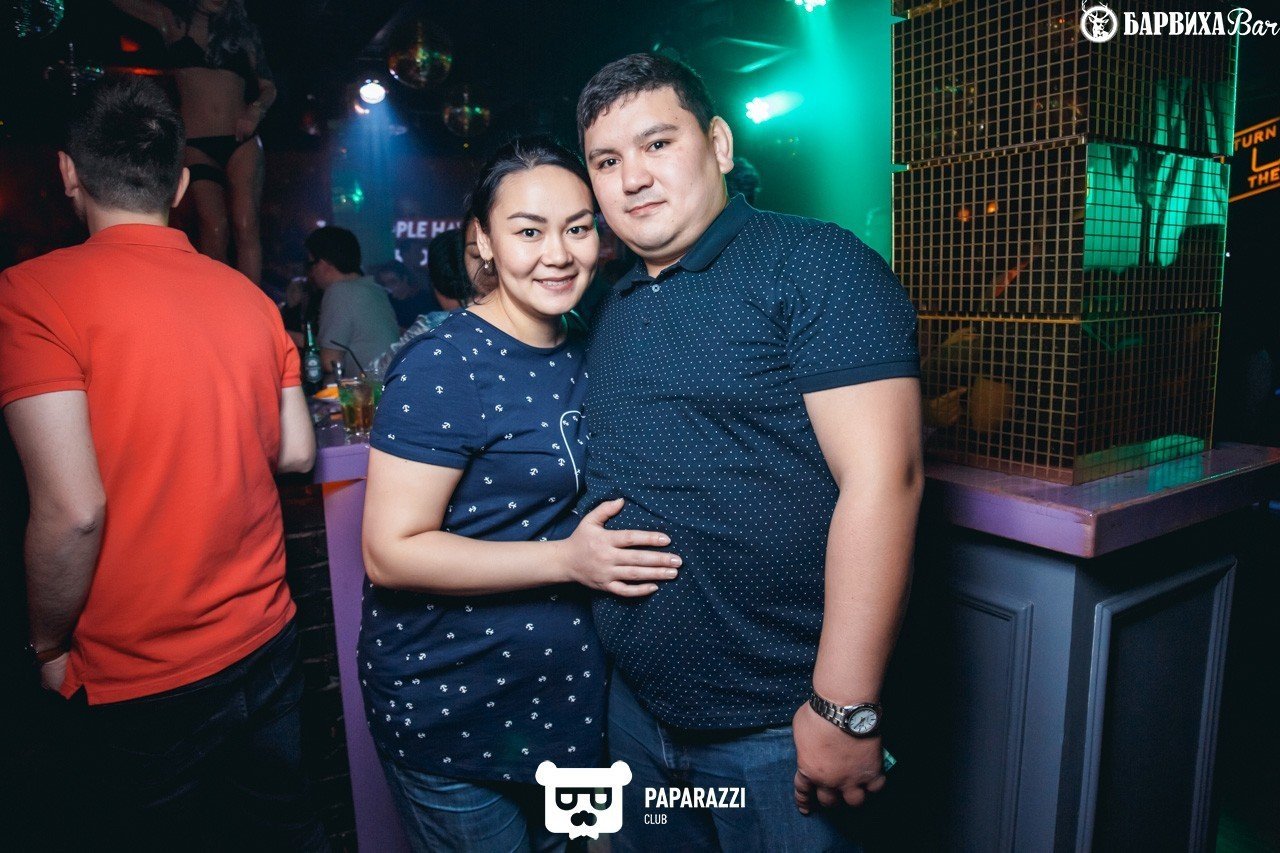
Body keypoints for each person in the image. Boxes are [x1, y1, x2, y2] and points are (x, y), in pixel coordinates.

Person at [577, 53, 924, 851]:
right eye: (607, 160)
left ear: (720, 144)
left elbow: (886, 479)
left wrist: (843, 707)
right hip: (637, 717)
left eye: (657, 143)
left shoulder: (813, 262)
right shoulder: (611, 304)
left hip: (780, 730)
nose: (633, 178)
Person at [0, 79, 323, 848]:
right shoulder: (250, 298)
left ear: (68, 172)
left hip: (141, 677)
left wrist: (48, 643)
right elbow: (299, 451)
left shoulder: (33, 294)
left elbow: (75, 510)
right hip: (267, 641)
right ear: (180, 184)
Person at [358, 136, 681, 852]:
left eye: (577, 228)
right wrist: (568, 560)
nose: (557, 255)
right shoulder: (443, 365)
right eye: (529, 232)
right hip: (456, 712)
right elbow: (389, 552)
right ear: (483, 240)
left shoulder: (590, 341)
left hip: (567, 709)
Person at [109, 0, 274, 284]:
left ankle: (253, 303)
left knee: (245, 222)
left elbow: (268, 87)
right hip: (197, 144)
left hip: (241, 141)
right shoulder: (172, 22)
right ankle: (217, 301)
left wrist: (255, 111)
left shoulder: (243, 33)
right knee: (214, 228)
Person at [369, 223, 478, 375]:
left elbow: (378, 370)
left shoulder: (433, 323)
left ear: (434, 280)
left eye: (393, 282)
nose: (390, 288)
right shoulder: (504, 316)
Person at [306, 224, 399, 376]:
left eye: (311, 264)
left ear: (323, 264)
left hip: (367, 389)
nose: (311, 272)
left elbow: (330, 362)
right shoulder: (374, 289)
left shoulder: (339, 292)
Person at [376, 258, 441, 332]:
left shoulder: (425, 300)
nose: (388, 287)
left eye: (392, 282)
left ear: (404, 279)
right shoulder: (387, 302)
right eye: (385, 283)